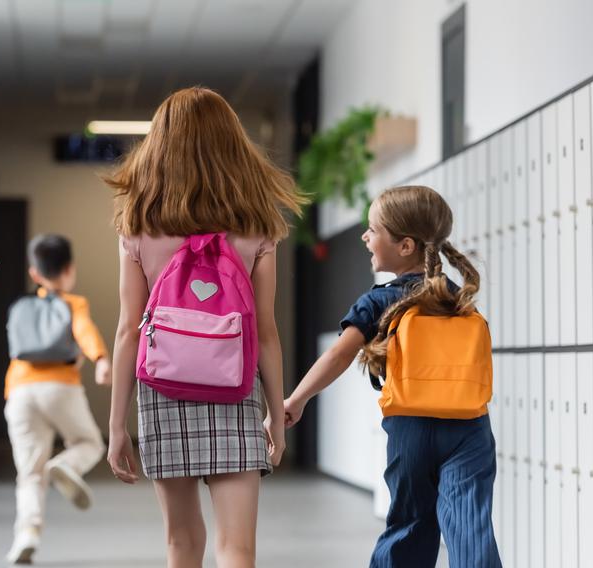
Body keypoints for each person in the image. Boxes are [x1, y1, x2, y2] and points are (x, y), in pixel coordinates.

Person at [105, 87, 305, 567]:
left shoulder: (137, 225)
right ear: (232, 144)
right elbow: (267, 331)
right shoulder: (258, 224)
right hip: (235, 388)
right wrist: (274, 416)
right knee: (237, 548)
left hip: (163, 391)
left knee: (181, 542)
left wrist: (116, 427)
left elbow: (129, 330)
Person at [284, 185, 501, 567]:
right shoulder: (457, 298)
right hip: (470, 428)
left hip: (412, 430)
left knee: (410, 525)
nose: (365, 237)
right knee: (470, 526)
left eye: (373, 230)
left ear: (405, 246)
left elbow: (338, 355)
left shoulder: (381, 300)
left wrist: (296, 399)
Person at [4, 234, 111, 564]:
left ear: (33, 273)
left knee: (29, 472)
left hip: (19, 392)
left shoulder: (21, 307)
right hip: (60, 388)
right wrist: (101, 358)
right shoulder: (72, 303)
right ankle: (65, 464)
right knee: (89, 443)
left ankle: (27, 534)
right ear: (70, 270)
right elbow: (83, 330)